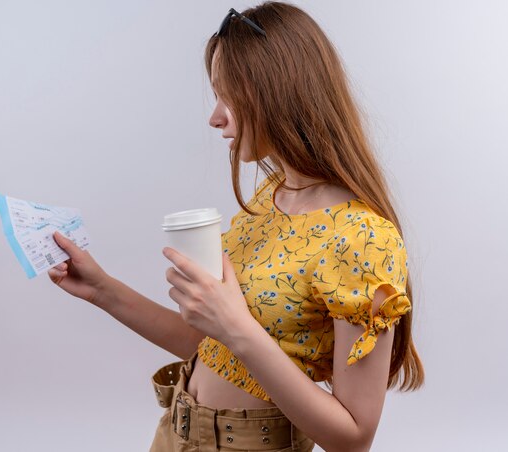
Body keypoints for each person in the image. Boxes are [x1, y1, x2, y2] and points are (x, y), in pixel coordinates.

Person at [48, 2, 425, 451]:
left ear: (278, 92)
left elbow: (354, 437)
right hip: (175, 434)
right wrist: (103, 290)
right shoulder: (270, 198)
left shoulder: (364, 239)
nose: (215, 117)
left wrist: (237, 327)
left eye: (228, 96)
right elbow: (213, 346)